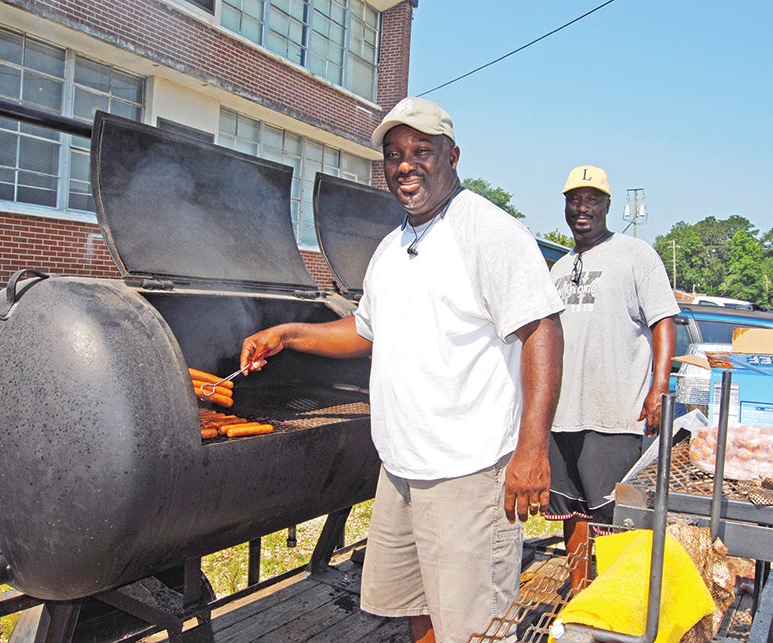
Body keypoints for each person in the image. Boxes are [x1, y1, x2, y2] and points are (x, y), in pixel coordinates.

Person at [238, 97, 564, 643]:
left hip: (470, 470)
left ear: (453, 156)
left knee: (475, 626)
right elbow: (367, 331)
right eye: (394, 155)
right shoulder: (391, 247)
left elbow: (543, 332)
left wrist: (532, 449)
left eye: (421, 151)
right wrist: (290, 334)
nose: (405, 165)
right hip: (403, 469)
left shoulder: (490, 231)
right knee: (418, 608)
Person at [542, 165, 678, 588]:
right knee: (570, 510)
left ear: (607, 205)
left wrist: (658, 388)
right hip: (561, 413)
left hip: (615, 414)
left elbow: (664, 321)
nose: (581, 208)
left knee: (615, 518)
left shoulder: (636, 254)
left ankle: (620, 604)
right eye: (573, 200)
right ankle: (580, 595)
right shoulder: (559, 268)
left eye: (591, 200)